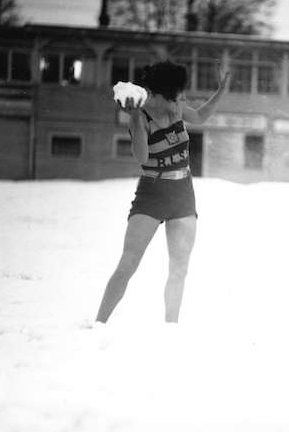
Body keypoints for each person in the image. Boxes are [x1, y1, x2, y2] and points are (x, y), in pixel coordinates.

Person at [96, 60, 230, 323]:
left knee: (179, 269)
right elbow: (142, 156)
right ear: (161, 92)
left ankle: (171, 328)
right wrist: (134, 119)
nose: (182, 97)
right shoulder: (142, 114)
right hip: (152, 193)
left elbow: (201, 116)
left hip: (182, 192)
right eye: (179, 92)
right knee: (128, 263)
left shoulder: (177, 108)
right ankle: (99, 323)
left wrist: (221, 90)